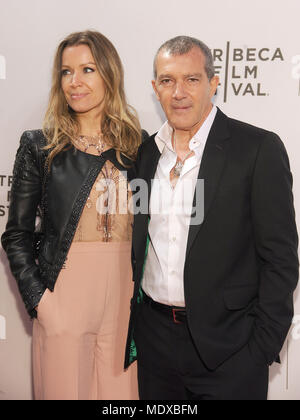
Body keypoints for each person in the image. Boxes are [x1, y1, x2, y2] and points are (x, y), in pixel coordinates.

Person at [125, 36, 299, 400]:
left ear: (213, 84)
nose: (179, 92)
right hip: (155, 346)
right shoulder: (145, 154)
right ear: (155, 88)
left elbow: (280, 259)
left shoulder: (256, 149)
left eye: (191, 79)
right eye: (168, 81)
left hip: (230, 351)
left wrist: (260, 350)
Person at [1, 30, 146, 400]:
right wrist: (41, 301)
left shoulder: (140, 146)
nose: (74, 82)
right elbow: (16, 234)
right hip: (63, 297)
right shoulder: (40, 145)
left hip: (126, 303)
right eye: (66, 72)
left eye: (87, 70)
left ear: (109, 75)